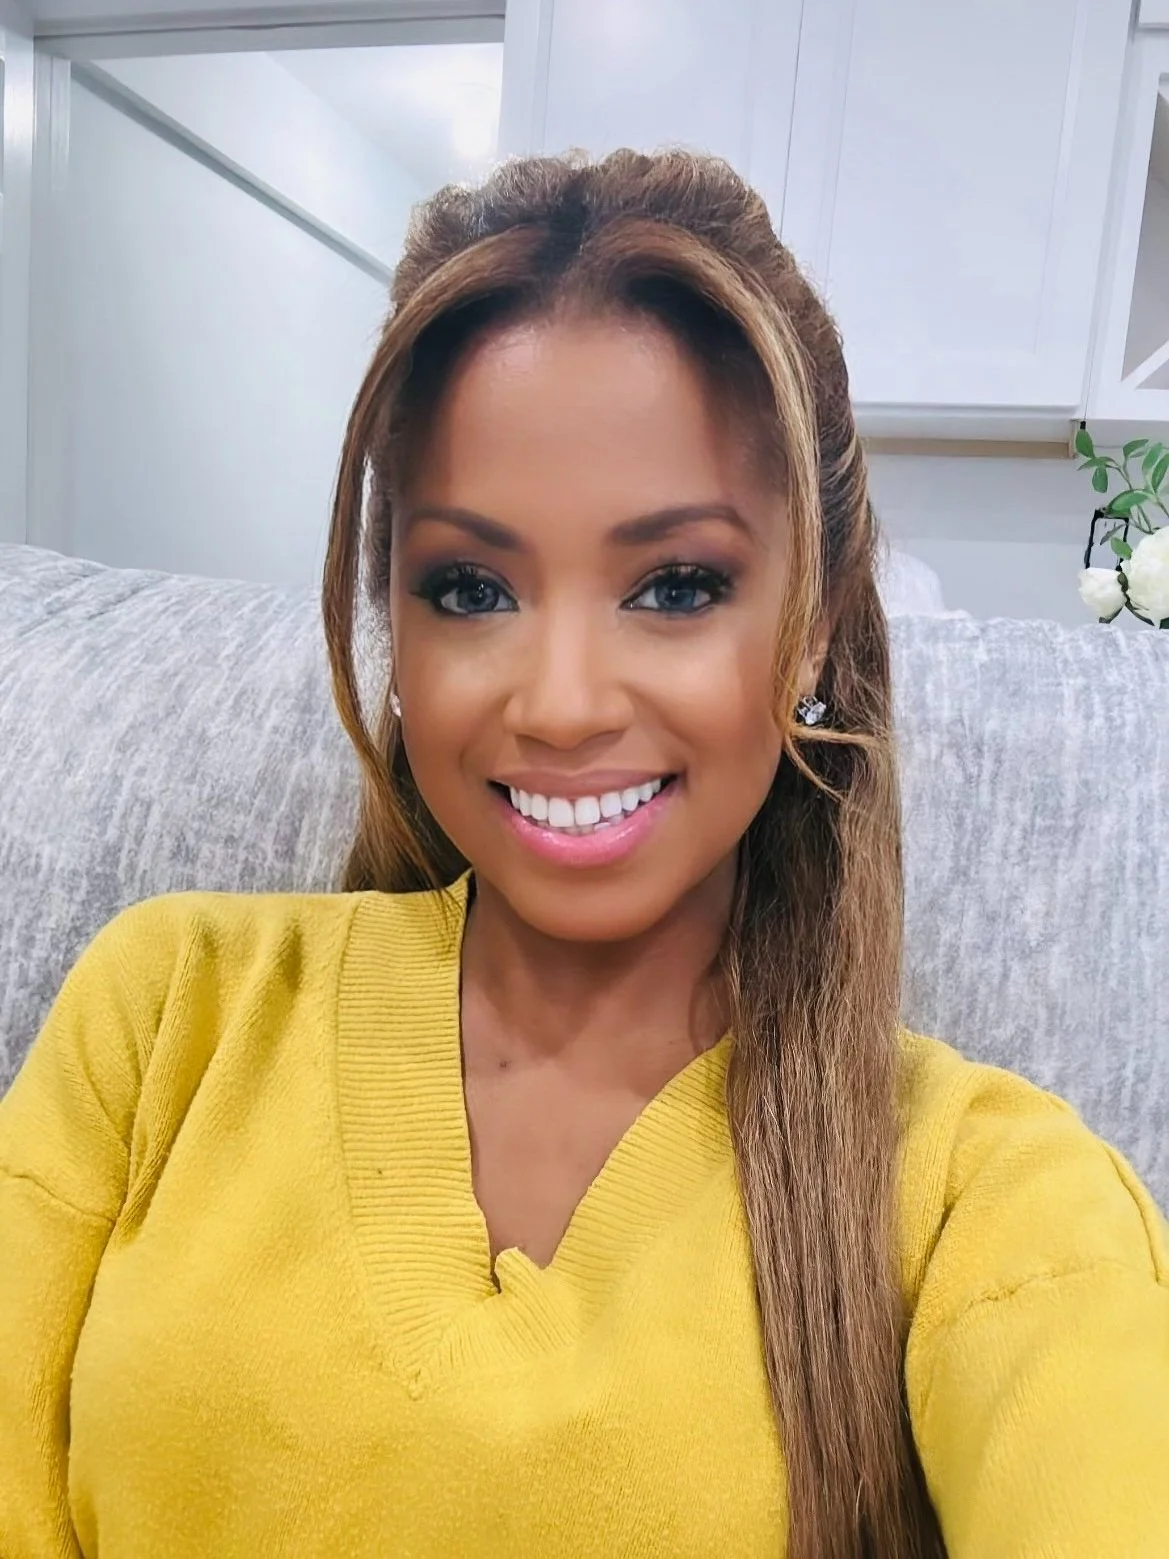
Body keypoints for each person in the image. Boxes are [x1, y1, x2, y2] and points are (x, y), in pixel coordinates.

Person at [1, 149, 1166, 1559]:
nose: (558, 703)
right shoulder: (165, 1017)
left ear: (811, 625)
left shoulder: (985, 1197)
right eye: (469, 588)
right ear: (393, 622)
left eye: (675, 586)